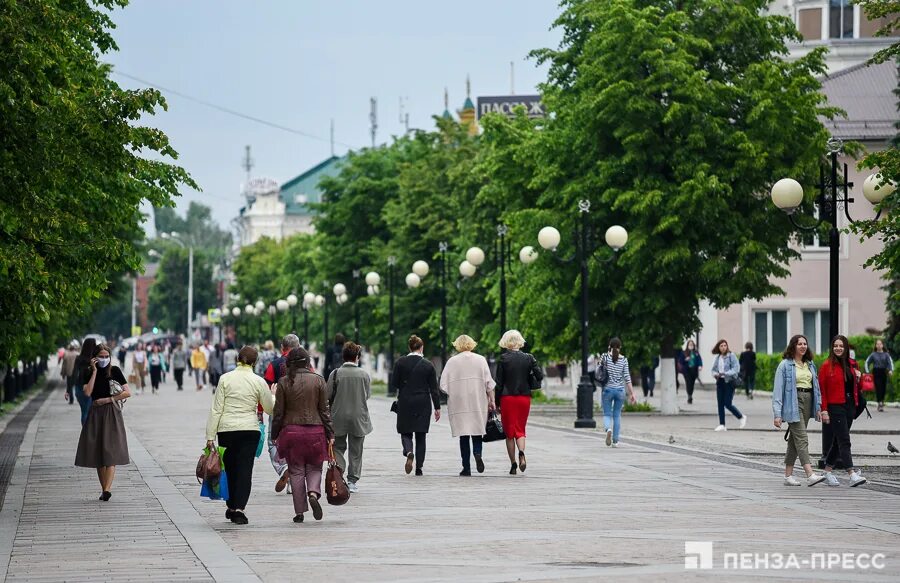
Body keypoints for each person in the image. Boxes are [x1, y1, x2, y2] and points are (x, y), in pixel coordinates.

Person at [205, 346, 275, 524]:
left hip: (226, 430)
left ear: (238, 359)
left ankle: (230, 505)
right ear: (254, 362)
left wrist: (210, 436)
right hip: (249, 430)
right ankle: (239, 508)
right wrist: (273, 395)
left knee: (229, 468)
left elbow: (216, 409)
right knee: (245, 469)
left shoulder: (224, 379)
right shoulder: (258, 381)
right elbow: (269, 408)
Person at [273, 347, 334, 523]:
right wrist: (330, 433)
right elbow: (325, 411)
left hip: (291, 432)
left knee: (296, 471)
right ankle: (313, 493)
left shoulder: (284, 382)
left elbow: (278, 412)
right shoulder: (319, 380)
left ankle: (299, 512)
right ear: (308, 362)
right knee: (315, 467)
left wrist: (274, 433)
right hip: (315, 431)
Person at [74, 343, 131, 501]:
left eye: (107, 357)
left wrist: (109, 399)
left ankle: (107, 489)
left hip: (111, 412)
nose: (104, 359)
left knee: (110, 451)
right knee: (98, 451)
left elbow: (127, 392)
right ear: (95, 357)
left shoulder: (115, 371)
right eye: (101, 356)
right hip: (95, 414)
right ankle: (104, 489)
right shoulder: (88, 372)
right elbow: (87, 392)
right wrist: (94, 371)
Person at [772, 335, 826, 486]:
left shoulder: (810, 364)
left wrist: (818, 407)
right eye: (799, 344)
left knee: (795, 441)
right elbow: (778, 390)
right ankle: (810, 474)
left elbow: (816, 387)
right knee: (802, 438)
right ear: (793, 346)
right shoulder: (785, 365)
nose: (803, 346)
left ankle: (788, 476)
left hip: (808, 401)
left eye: (805, 344)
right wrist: (777, 414)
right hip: (793, 404)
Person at [440, 335, 496, 476]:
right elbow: (489, 384)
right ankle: (477, 453)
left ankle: (466, 467)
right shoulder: (481, 360)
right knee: (477, 431)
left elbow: (443, 384)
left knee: (463, 435)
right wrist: (492, 401)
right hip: (477, 400)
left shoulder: (452, 361)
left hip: (459, 402)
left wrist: (452, 391)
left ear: (457, 345)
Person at [819, 335, 866, 487]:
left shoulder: (852, 364)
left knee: (838, 441)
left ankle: (827, 471)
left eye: (841, 346)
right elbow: (822, 391)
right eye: (835, 346)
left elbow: (858, 389)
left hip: (850, 406)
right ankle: (851, 474)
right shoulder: (826, 366)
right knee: (844, 440)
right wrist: (824, 410)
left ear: (846, 348)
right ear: (832, 348)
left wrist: (860, 378)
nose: (838, 348)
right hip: (835, 406)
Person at [326, 341, 372, 491]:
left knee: (338, 448)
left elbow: (327, 396)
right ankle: (352, 481)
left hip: (338, 416)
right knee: (356, 450)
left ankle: (340, 472)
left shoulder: (335, 374)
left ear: (343, 356)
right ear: (357, 357)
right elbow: (367, 395)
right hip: (359, 417)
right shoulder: (364, 375)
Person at [393, 334, 441, 476]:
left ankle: (409, 452)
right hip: (423, 402)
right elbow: (434, 389)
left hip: (405, 401)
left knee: (405, 431)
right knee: (421, 435)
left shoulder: (400, 363)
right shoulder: (428, 365)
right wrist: (437, 407)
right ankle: (419, 468)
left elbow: (394, 383)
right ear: (421, 348)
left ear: (409, 347)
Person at [495, 329, 542, 475]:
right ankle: (522, 453)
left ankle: (513, 464)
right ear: (520, 341)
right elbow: (539, 375)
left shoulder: (503, 359)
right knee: (520, 430)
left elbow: (499, 383)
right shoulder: (529, 358)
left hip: (507, 398)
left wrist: (496, 403)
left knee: (509, 433)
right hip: (524, 398)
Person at [264, 334, 302, 493]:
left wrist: (261, 410)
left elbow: (265, 388)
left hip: (278, 408)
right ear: (298, 347)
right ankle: (293, 482)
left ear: (282, 348)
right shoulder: (305, 364)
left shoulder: (274, 365)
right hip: (299, 410)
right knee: (297, 443)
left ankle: (283, 468)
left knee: (274, 442)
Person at [600, 338, 637, 447]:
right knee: (617, 415)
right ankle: (615, 441)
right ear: (620, 347)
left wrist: (608, 352)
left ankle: (608, 429)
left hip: (607, 390)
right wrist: (632, 393)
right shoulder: (624, 360)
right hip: (620, 391)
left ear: (609, 346)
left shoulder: (605, 357)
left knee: (607, 414)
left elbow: (599, 368)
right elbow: (627, 378)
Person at [710, 339, 747, 431]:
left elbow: (736, 369)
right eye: (721, 346)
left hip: (729, 382)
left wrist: (725, 373)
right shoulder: (717, 358)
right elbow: (713, 369)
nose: (723, 347)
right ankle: (722, 424)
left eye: (725, 345)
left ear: (727, 346)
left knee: (727, 403)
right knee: (720, 404)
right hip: (720, 382)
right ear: (718, 347)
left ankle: (741, 417)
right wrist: (715, 374)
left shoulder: (732, 356)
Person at [865, 338, 894, 412]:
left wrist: (890, 370)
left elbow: (890, 362)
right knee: (878, 387)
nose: (879, 345)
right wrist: (867, 371)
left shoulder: (886, 354)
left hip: (883, 372)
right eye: (877, 344)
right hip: (876, 372)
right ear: (875, 345)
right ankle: (880, 403)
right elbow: (867, 362)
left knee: (883, 388)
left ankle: (881, 401)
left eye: (880, 344)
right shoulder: (873, 354)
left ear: (882, 345)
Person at [73, 338, 97, 425]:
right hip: (90, 388)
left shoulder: (79, 359)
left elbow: (74, 374)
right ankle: (86, 433)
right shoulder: (94, 360)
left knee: (84, 411)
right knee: (88, 412)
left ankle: (85, 431)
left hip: (78, 388)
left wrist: (69, 390)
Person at [682, 339, 703, 404]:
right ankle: (689, 396)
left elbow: (699, 360)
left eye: (692, 344)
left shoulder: (696, 352)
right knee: (688, 383)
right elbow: (680, 361)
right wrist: (685, 359)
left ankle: (690, 394)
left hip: (694, 370)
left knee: (692, 383)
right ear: (687, 345)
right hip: (687, 370)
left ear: (694, 345)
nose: (691, 345)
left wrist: (700, 365)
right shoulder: (684, 352)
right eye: (690, 344)